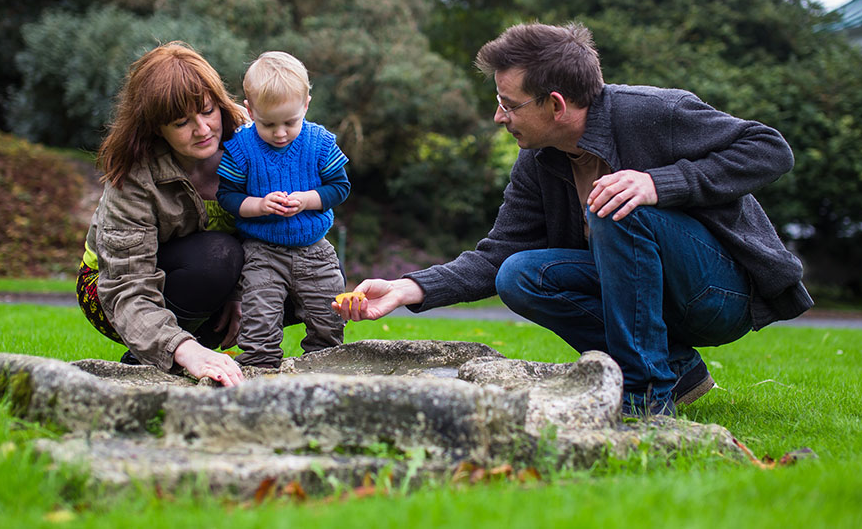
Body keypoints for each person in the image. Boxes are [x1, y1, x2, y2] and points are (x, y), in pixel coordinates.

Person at [333, 22, 812, 416]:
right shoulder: (540, 159)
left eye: (508, 103)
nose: (499, 116)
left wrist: (658, 184)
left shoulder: (653, 112)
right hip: (648, 298)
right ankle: (675, 369)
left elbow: (770, 149)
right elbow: (499, 251)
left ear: (556, 105)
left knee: (620, 205)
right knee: (519, 275)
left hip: (718, 294)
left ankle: (643, 399)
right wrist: (408, 288)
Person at [77, 41, 248, 387]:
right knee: (218, 257)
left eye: (207, 110)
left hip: (215, 274)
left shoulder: (250, 143)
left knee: (311, 269)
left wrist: (239, 292)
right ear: (157, 128)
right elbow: (127, 287)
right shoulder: (133, 178)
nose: (202, 129)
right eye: (181, 122)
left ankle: (186, 349)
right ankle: (165, 352)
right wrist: (184, 348)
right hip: (112, 288)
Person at [217, 51, 348, 368]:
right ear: (250, 111)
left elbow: (340, 187)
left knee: (327, 313)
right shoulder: (242, 149)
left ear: (305, 105)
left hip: (314, 249)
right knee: (260, 315)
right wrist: (259, 205)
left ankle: (322, 365)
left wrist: (306, 200)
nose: (280, 133)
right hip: (263, 251)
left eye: (290, 122)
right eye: (267, 123)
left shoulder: (319, 143)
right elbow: (228, 196)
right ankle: (260, 367)